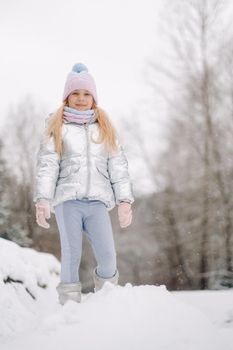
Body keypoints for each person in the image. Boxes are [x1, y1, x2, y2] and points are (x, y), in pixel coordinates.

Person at [34, 63, 134, 305]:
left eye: (86, 94)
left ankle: (108, 302)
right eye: (75, 94)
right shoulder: (57, 129)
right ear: (67, 97)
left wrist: (124, 201)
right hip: (68, 201)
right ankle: (69, 306)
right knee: (71, 253)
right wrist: (42, 199)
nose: (81, 99)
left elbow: (118, 167)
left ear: (94, 98)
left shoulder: (105, 129)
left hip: (97, 203)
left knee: (108, 256)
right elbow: (47, 166)